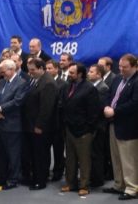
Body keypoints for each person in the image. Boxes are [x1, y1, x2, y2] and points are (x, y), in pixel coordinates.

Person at [60, 62, 99, 196]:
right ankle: (70, 183)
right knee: (70, 158)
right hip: (69, 128)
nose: (69, 75)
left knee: (84, 160)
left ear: (80, 74)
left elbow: (94, 113)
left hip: (83, 131)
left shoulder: (89, 89)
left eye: (72, 73)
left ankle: (84, 185)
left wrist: (87, 129)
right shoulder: (67, 86)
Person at [103, 54, 138, 200]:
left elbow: (135, 103)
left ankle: (132, 188)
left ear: (135, 66)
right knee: (116, 156)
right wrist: (106, 106)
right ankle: (119, 184)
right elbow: (109, 95)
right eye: (120, 67)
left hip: (129, 126)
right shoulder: (117, 78)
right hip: (114, 123)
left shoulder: (136, 81)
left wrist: (115, 111)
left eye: (125, 67)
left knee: (128, 159)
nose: (122, 70)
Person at [0, 59, 28, 190]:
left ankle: (13, 180)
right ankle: (3, 177)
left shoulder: (21, 83)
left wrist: (0, 109)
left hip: (12, 125)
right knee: (0, 154)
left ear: (11, 70)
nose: (1, 73)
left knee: (13, 155)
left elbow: (18, 101)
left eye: (3, 71)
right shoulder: (1, 82)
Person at [24, 59, 58, 190]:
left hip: (41, 128)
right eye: (29, 69)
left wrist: (39, 125)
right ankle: (36, 177)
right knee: (35, 154)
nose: (30, 72)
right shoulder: (37, 80)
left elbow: (46, 108)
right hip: (32, 125)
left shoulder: (48, 83)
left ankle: (40, 181)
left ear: (41, 68)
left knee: (41, 155)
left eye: (33, 70)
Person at [87, 64, 109, 187]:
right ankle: (92, 176)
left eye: (91, 71)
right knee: (91, 153)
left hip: (98, 126)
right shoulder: (92, 86)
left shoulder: (103, 88)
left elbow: (98, 107)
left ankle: (97, 179)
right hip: (92, 125)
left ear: (99, 74)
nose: (89, 73)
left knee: (97, 153)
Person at [46, 60, 67, 181]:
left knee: (58, 149)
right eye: (47, 69)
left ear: (56, 69)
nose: (48, 71)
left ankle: (58, 171)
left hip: (58, 122)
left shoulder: (62, 84)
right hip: (46, 122)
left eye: (50, 68)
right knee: (46, 148)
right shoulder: (45, 82)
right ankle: (47, 169)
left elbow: (61, 102)